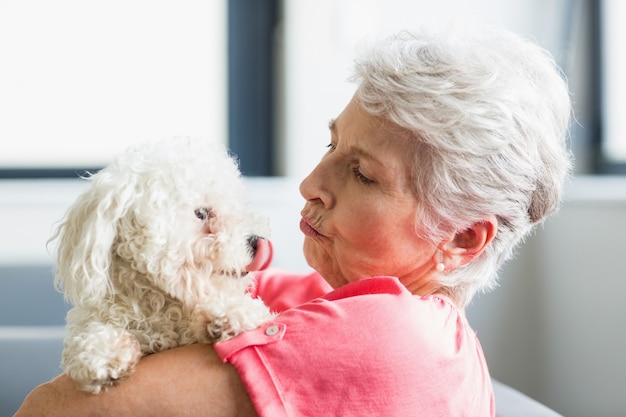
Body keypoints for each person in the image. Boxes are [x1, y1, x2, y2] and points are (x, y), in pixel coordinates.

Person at [15, 24, 571, 417]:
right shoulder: (398, 319)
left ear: (463, 237)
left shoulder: (388, 340)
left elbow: (49, 411)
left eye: (362, 174)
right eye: (330, 144)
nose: (311, 183)